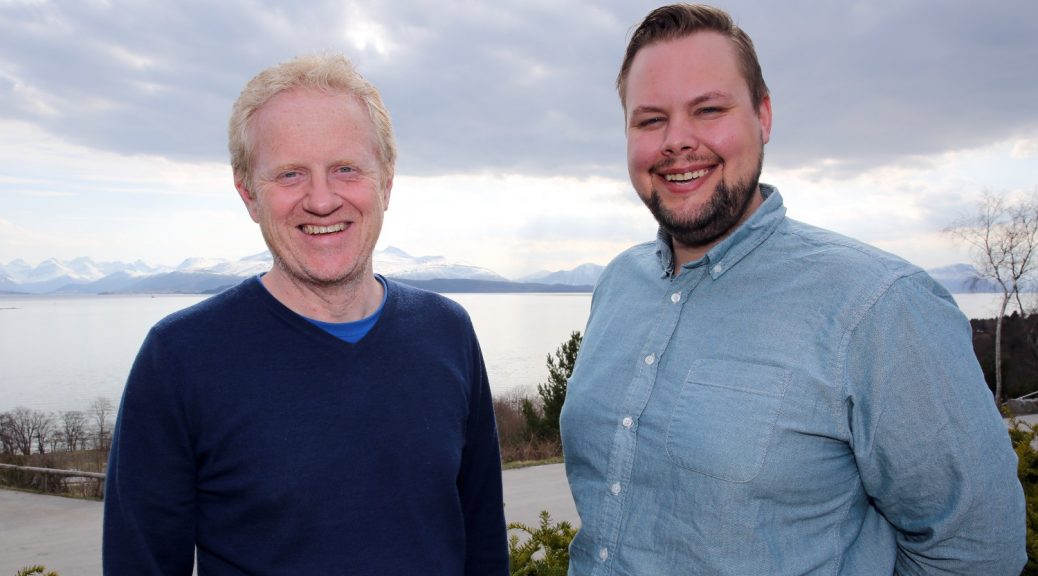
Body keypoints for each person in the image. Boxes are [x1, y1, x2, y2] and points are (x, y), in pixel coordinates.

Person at [559, 4, 1026, 575]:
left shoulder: (880, 306)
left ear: (764, 116)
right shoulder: (617, 285)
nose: (677, 141)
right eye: (650, 120)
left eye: (709, 110)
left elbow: (976, 550)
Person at [103, 53, 508, 575]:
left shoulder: (447, 333)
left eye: (346, 169)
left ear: (386, 181)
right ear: (249, 195)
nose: (321, 200)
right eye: (290, 174)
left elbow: (484, 546)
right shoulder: (180, 358)